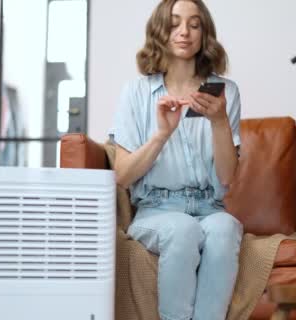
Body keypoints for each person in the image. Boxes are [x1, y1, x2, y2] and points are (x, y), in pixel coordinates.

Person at [110, 1, 242, 319]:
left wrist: (220, 122)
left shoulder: (225, 93)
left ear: (204, 33)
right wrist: (161, 135)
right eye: (174, 24)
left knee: (225, 229)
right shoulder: (136, 93)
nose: (184, 31)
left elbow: (227, 178)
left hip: (210, 208)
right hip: (156, 210)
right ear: (160, 31)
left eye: (194, 24)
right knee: (183, 229)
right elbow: (123, 176)